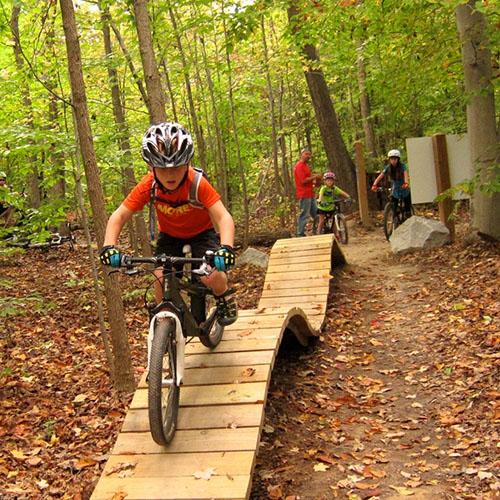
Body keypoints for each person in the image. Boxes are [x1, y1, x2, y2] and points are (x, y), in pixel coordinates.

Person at [99, 122, 237, 326]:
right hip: (170, 237)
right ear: (151, 167)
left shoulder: (197, 183)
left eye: (177, 167)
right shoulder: (149, 185)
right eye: (162, 169)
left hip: (202, 233)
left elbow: (223, 217)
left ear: (187, 164)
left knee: (212, 275)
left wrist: (226, 248)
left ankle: (223, 296)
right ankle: (162, 320)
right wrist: (109, 246)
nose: (170, 175)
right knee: (160, 276)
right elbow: (119, 216)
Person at [371, 149, 411, 218]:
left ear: (398, 159)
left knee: (407, 202)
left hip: (403, 185)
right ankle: (395, 218)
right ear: (389, 159)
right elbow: (381, 176)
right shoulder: (388, 167)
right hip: (395, 187)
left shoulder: (402, 166)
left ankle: (408, 214)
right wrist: (375, 184)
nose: (393, 161)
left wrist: (406, 183)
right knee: (393, 203)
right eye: (391, 159)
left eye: (395, 159)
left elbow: (405, 174)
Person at [294, 149, 322, 237]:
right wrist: (315, 176)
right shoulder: (299, 166)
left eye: (309, 154)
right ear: (301, 154)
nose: (308, 156)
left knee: (316, 213)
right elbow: (303, 181)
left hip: (311, 194)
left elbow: (310, 180)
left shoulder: (306, 166)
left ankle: (319, 230)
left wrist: (316, 180)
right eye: (306, 154)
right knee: (304, 214)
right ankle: (300, 233)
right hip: (304, 194)